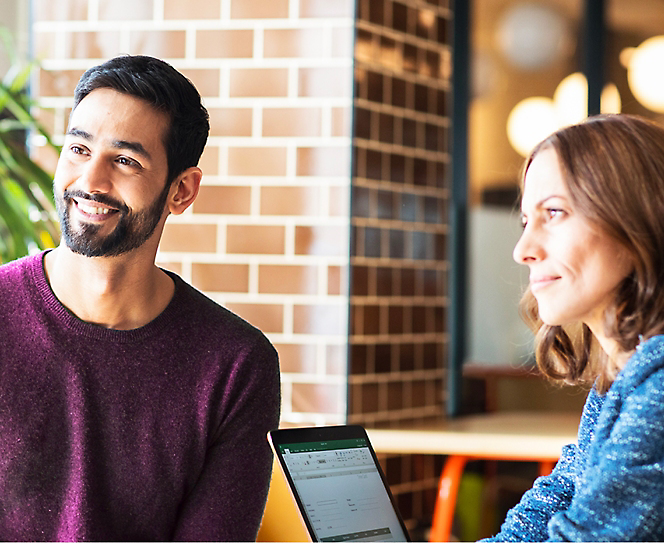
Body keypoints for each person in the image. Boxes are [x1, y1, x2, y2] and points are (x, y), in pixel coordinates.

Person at [0, 55, 281, 541]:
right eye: (78, 149)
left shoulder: (236, 365)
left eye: (125, 160)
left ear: (182, 191)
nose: (90, 181)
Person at [480, 114, 664, 542]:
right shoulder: (620, 380)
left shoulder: (657, 390)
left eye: (555, 213)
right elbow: (562, 494)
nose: (523, 250)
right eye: (526, 221)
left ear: (639, 219)